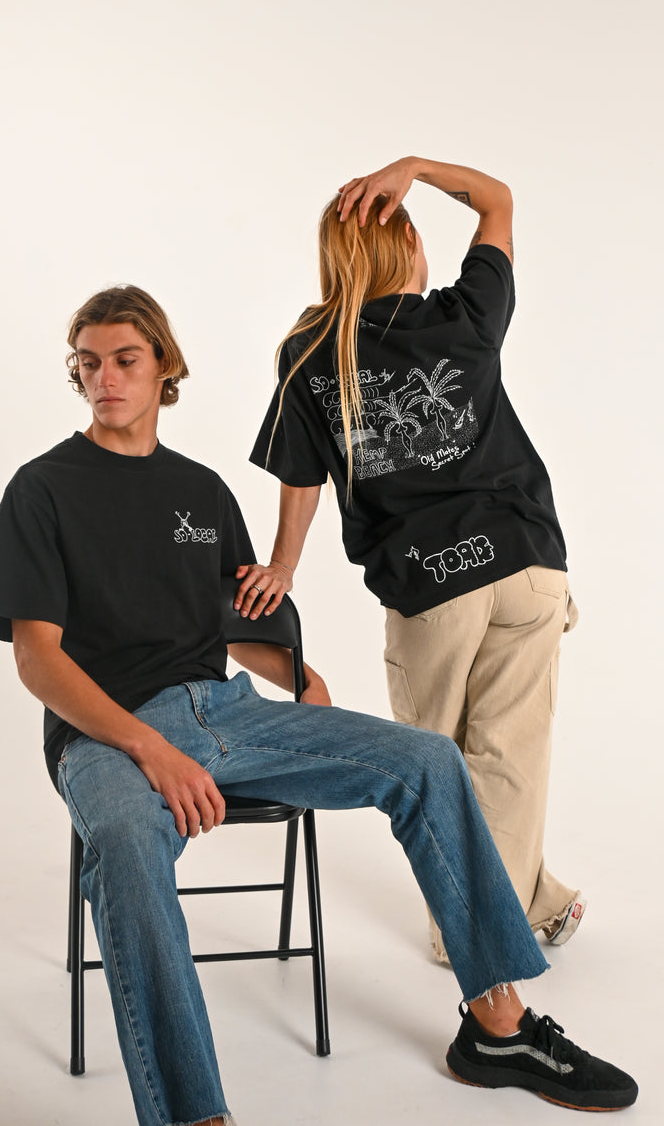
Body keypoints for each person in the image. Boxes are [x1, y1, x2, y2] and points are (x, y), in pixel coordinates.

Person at [0, 285, 637, 1125]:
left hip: (228, 712)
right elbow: (38, 658)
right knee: (125, 844)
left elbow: (225, 619)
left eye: (124, 359)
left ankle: (497, 1028)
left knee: (427, 760)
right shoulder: (41, 489)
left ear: (163, 369)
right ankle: (194, 1116)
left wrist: (296, 672)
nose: (104, 377)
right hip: (106, 734)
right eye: (89, 363)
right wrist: (151, 749)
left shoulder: (200, 491)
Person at [242, 156, 584, 963]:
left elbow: (301, 474)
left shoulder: (308, 349)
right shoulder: (464, 314)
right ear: (409, 243)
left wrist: (284, 567)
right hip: (527, 561)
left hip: (432, 586)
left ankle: (469, 932)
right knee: (508, 754)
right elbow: (498, 201)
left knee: (432, 763)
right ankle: (527, 905)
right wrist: (418, 168)